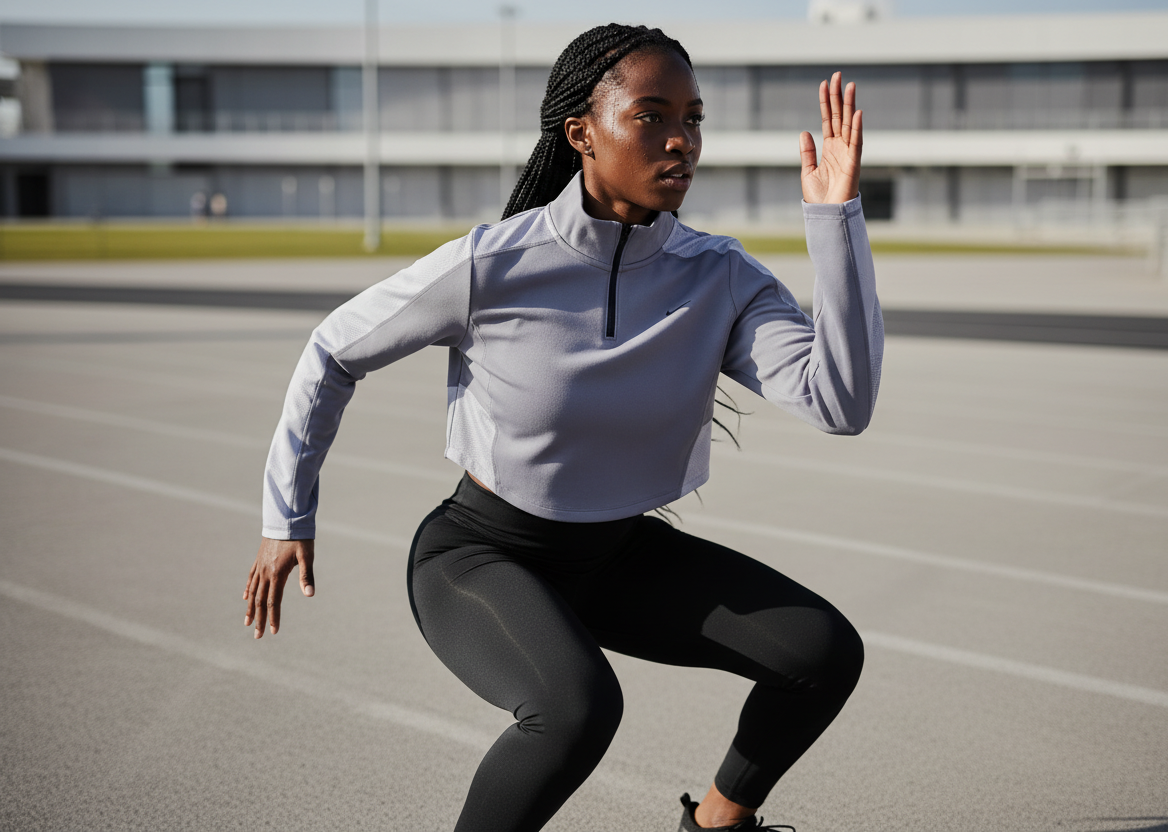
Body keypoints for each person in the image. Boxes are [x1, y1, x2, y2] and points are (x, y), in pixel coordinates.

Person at [244, 23, 882, 832]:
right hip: (481, 556)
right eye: (651, 116)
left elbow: (841, 402)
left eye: (693, 117)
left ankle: (718, 828)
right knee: (576, 710)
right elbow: (334, 349)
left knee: (823, 654)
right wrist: (285, 519)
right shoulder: (490, 264)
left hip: (618, 556)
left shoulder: (721, 276)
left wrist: (836, 221)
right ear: (582, 132)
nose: (681, 139)